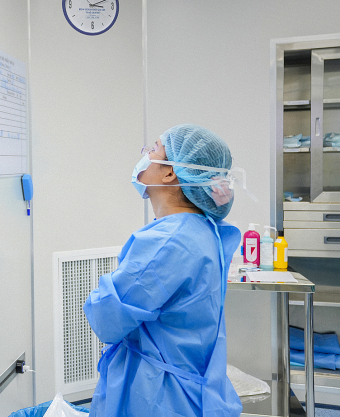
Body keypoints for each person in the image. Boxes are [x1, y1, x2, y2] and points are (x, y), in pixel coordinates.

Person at [83, 124, 243, 417]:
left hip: (159, 396)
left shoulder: (168, 241)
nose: (145, 155)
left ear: (170, 172)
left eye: (153, 149)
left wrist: (101, 291)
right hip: (190, 389)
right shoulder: (200, 229)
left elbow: (106, 318)